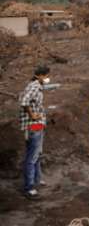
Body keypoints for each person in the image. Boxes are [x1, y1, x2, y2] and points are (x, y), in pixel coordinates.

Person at [19, 65, 51, 199]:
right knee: (32, 157)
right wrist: (32, 115)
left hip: (36, 125)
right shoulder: (34, 87)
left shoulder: (36, 85)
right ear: (40, 76)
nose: (48, 78)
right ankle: (29, 187)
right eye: (47, 76)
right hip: (34, 125)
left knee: (37, 154)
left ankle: (37, 180)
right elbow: (23, 101)